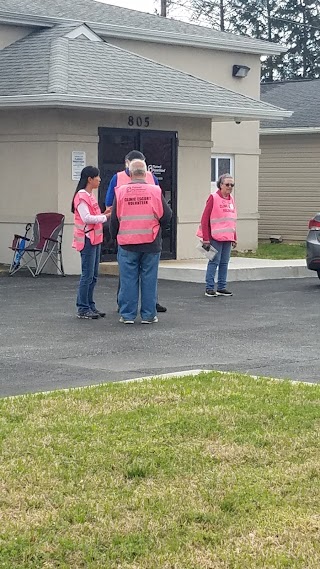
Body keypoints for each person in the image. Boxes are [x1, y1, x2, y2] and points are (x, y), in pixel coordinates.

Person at [105, 149, 168, 313]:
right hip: (150, 239)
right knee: (148, 278)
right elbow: (165, 213)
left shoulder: (123, 189)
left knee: (128, 279)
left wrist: (114, 235)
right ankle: (147, 313)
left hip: (127, 241)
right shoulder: (119, 178)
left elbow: (112, 215)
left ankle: (127, 313)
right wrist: (159, 229)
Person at [72, 166, 108, 319]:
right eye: (97, 177)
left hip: (94, 238)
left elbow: (94, 215)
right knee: (87, 275)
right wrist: (105, 217)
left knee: (93, 275)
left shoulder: (90, 195)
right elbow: (87, 218)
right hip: (86, 240)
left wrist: (103, 214)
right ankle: (83, 307)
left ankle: (90, 305)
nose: (99, 179)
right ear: (90, 179)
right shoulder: (81, 197)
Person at [197, 173, 237, 298]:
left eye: (232, 185)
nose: (230, 187)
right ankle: (209, 287)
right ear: (220, 185)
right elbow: (205, 219)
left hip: (227, 237)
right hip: (214, 236)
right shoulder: (213, 198)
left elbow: (232, 219)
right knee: (214, 261)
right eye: (227, 184)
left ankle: (221, 287)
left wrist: (234, 237)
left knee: (224, 262)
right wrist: (206, 239)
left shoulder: (231, 199)